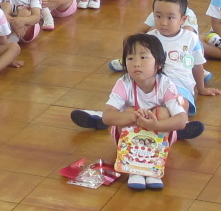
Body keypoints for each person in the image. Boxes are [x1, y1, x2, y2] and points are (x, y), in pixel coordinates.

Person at [70, 33, 195, 191]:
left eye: (143, 58)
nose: (136, 63)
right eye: (130, 58)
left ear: (159, 64)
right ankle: (133, 168)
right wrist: (131, 116)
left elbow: (181, 120)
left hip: (158, 142)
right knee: (128, 110)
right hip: (129, 142)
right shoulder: (123, 83)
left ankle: (152, 169)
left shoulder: (166, 84)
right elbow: (108, 116)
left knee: (162, 112)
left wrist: (156, 124)